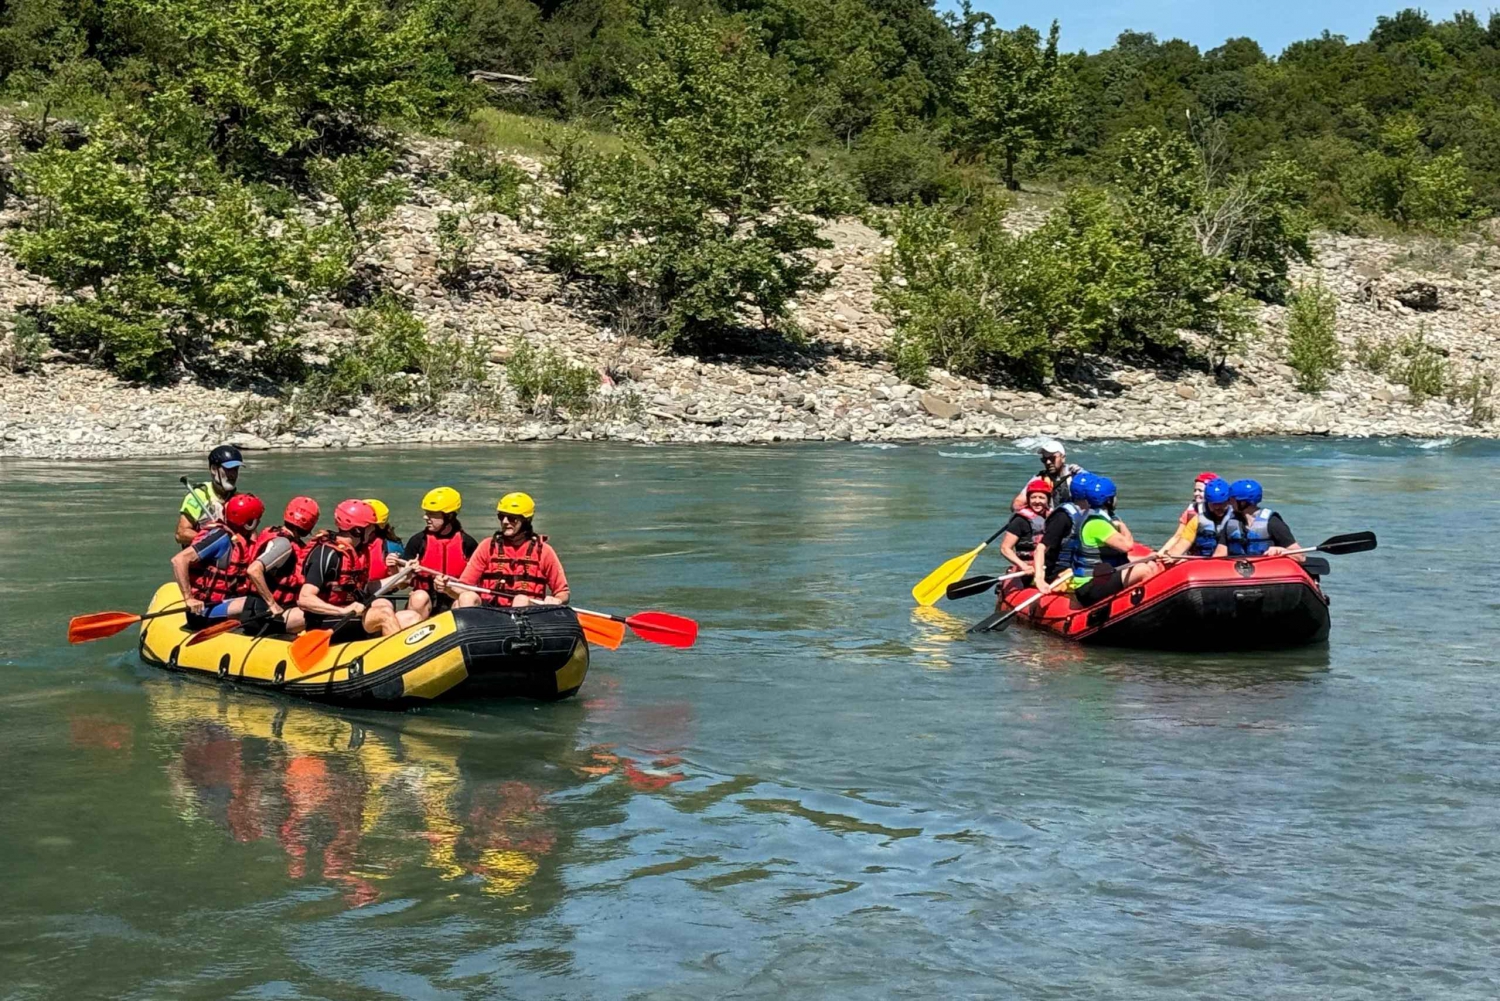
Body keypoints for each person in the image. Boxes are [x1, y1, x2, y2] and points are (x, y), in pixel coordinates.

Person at [298, 500, 424, 640]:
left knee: (412, 618)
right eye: (370, 527)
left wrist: (404, 574)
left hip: (352, 615)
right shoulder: (327, 554)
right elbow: (304, 599)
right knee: (384, 613)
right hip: (327, 620)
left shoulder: (358, 552)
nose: (373, 531)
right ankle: (399, 659)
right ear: (357, 530)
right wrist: (343, 611)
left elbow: (367, 588)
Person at [441, 492, 570, 609]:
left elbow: (563, 593)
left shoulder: (544, 551)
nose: (505, 522)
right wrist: (447, 588)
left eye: (512, 518)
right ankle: (470, 633)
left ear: (526, 521)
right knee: (466, 597)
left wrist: (557, 600)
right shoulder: (487, 546)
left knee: (521, 600)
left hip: (527, 614)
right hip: (490, 612)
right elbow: (464, 586)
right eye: (501, 517)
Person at [1061, 476, 1166, 607]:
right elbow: (1127, 546)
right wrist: (1122, 526)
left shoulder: (1097, 518)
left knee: (1151, 565)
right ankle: (1149, 607)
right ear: (1108, 500)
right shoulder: (1097, 524)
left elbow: (1114, 558)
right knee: (1143, 570)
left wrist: (1148, 557)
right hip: (1089, 585)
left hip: (1101, 577)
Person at [170, 493, 266, 626]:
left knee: (261, 598)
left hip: (224, 602)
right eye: (257, 519)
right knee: (255, 604)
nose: (259, 522)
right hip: (203, 610)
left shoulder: (239, 539)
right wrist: (189, 599)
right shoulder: (220, 538)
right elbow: (179, 560)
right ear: (249, 523)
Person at [245, 496, 321, 635]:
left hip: (264, 610)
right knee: (321, 615)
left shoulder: (281, 537)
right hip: (264, 616)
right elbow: (253, 570)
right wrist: (272, 604)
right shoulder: (284, 544)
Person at [402, 487, 479, 620]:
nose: (425, 517)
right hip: (426, 601)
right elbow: (402, 584)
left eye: (432, 514)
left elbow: (475, 585)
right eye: (426, 513)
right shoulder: (418, 541)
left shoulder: (468, 543)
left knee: (467, 598)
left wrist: (450, 589)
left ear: (448, 516)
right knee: (418, 597)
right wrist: (408, 573)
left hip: (454, 598)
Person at [1032, 470, 1094, 588]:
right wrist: (1039, 579)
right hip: (1060, 572)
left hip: (1082, 567)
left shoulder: (1094, 514)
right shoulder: (1062, 517)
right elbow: (1040, 548)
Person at [175, 444, 244, 546]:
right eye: (228, 469)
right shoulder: (198, 496)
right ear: (214, 469)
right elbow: (180, 534)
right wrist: (213, 539)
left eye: (235, 469)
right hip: (204, 556)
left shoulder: (240, 499)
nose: (233, 474)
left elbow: (251, 534)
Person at [1218, 479, 1302, 561]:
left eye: (1232, 500)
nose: (1229, 503)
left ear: (1242, 503)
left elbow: (1301, 557)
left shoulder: (1273, 522)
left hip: (1266, 570)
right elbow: (1218, 555)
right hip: (1237, 570)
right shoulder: (1231, 524)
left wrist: (1282, 550)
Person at [1164, 476, 1242, 558]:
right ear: (1207, 502)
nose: (1217, 507)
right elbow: (1181, 546)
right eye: (1213, 504)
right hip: (1201, 563)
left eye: (1221, 503)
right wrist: (1170, 556)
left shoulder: (1239, 520)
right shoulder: (1197, 521)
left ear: (1229, 501)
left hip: (1231, 564)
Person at [1012, 438, 1083, 511]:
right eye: (1044, 459)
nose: (1048, 462)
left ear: (1063, 458)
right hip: (1051, 519)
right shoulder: (1039, 479)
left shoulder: (1076, 474)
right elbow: (1017, 505)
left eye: (1052, 458)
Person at [998, 478, 1051, 576]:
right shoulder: (1020, 521)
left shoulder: (1054, 518)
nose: (1037, 501)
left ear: (1048, 499)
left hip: (1047, 567)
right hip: (1026, 568)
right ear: (1028, 499)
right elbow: (1005, 549)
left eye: (1041, 497)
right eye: (1033, 497)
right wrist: (1023, 566)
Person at [360, 498, 406, 586]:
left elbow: (402, 586)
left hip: (381, 595)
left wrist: (394, 569)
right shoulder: (344, 544)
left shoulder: (392, 546)